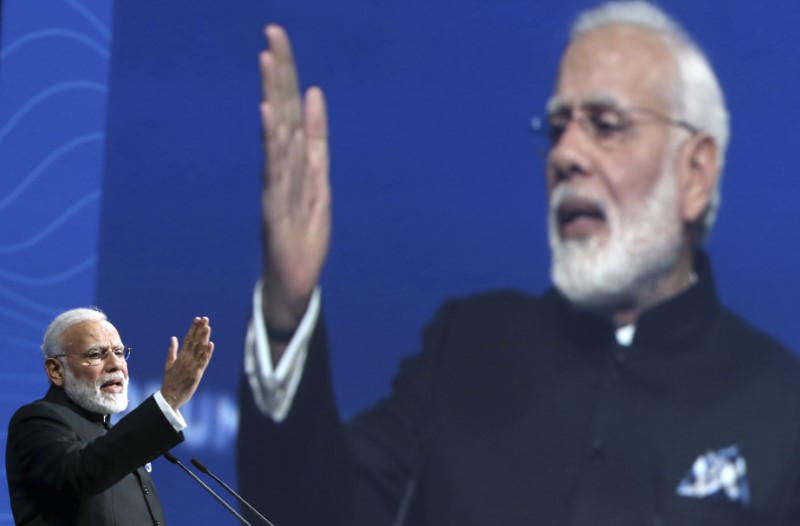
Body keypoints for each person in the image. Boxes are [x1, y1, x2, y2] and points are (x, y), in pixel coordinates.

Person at [237, 1, 800, 524]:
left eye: (606, 125)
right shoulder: (466, 348)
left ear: (696, 173)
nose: (565, 155)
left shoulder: (781, 407)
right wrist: (286, 312)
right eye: (557, 129)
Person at [5, 308, 215, 525]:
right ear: (56, 370)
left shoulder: (113, 436)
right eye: (96, 354)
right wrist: (168, 400)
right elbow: (83, 472)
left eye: (120, 352)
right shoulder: (35, 420)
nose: (116, 365)